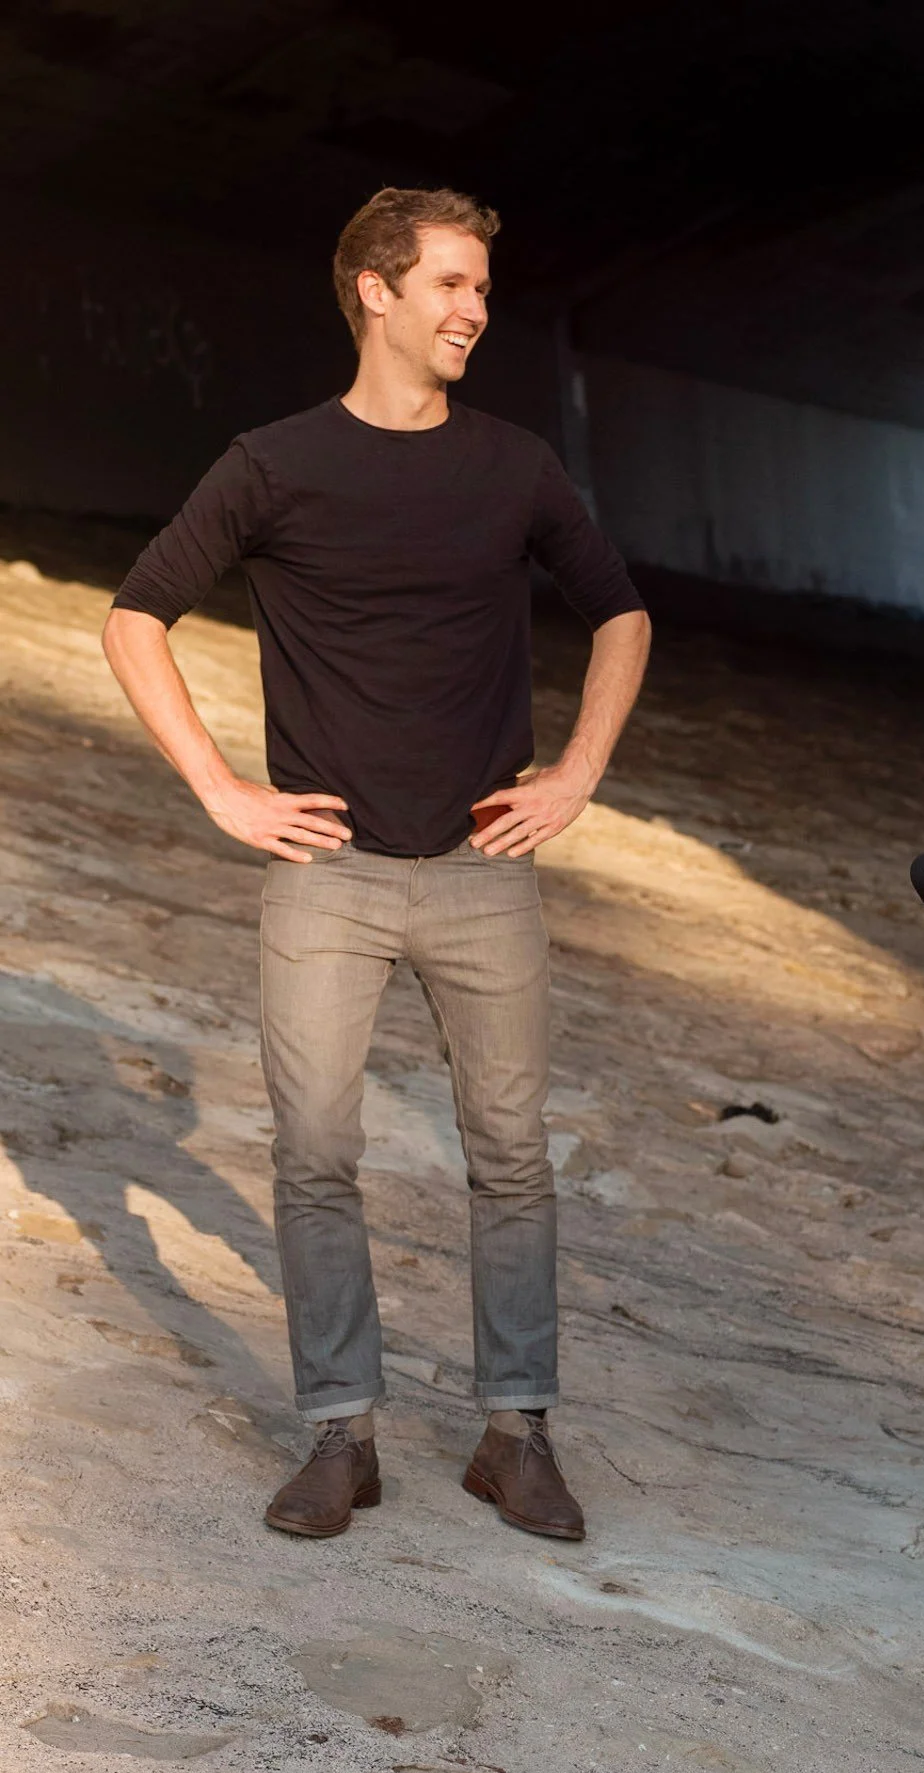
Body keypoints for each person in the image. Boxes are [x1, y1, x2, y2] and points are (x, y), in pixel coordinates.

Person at [103, 187, 651, 1544]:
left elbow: (622, 614)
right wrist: (223, 789)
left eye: (480, 289)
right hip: (328, 874)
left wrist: (576, 771)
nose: (473, 310)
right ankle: (339, 1434)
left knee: (514, 1156)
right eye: (451, 286)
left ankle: (514, 1435)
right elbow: (134, 619)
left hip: (484, 868)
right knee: (315, 1159)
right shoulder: (273, 464)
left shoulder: (515, 466)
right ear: (376, 291)